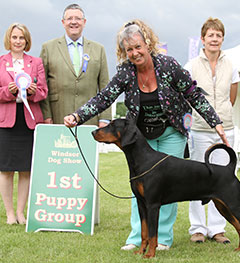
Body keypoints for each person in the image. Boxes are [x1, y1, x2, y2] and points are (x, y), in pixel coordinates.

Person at [64, 19, 229, 251]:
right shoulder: (125, 72)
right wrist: (78, 116)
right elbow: (105, 97)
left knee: (169, 187)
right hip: (142, 135)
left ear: (147, 44)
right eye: (129, 49)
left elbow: (192, 93)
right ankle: (137, 238)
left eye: (138, 47)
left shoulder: (168, 65)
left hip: (172, 131)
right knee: (140, 188)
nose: (134, 53)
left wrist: (215, 122)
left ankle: (161, 238)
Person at [184, 17, 240, 244]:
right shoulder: (191, 66)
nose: (214, 39)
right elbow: (186, 96)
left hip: (225, 130)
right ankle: (197, 228)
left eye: (218, 35)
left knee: (222, 179)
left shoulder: (231, 65)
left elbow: (232, 96)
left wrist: (222, 115)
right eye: (210, 35)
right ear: (203, 39)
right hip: (198, 130)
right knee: (197, 178)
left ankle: (217, 228)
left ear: (222, 38)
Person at [0, 23, 48, 224]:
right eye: (14, 37)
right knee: (6, 169)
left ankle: (21, 212)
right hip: (7, 122)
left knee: (26, 169)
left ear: (27, 41)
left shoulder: (36, 62)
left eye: (21, 38)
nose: (18, 41)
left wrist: (31, 91)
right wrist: (8, 92)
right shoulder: (0, 62)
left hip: (29, 122)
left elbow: (44, 91)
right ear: (8, 40)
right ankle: (9, 213)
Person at [40, 3, 111, 126]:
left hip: (90, 119)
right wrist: (46, 116)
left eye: (78, 18)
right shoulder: (48, 48)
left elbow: (105, 86)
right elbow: (42, 84)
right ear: (63, 22)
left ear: (84, 22)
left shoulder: (99, 49)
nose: (74, 22)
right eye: (69, 19)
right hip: (58, 118)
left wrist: (104, 118)